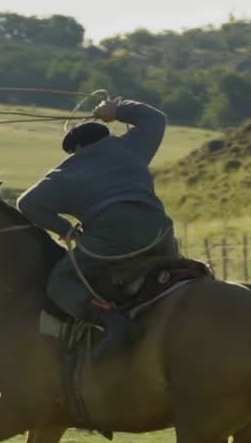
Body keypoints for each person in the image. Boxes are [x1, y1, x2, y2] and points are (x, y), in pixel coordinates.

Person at [17, 96, 180, 325]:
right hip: (159, 230)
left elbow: (27, 204)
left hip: (113, 235)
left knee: (62, 280)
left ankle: (112, 324)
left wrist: (67, 231)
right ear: (106, 137)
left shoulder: (66, 173)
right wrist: (116, 110)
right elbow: (155, 118)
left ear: (78, 148)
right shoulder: (131, 146)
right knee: (178, 272)